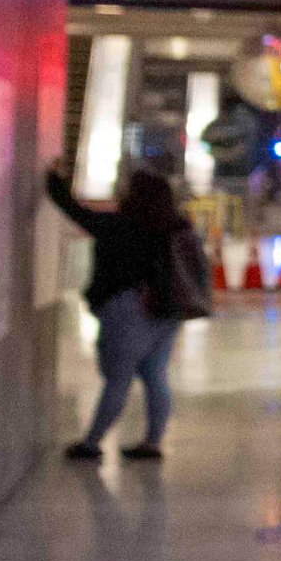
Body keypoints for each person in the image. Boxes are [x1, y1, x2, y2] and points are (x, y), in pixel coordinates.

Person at [44, 165, 195, 462]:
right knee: (155, 376)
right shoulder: (175, 226)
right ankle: (152, 443)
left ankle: (91, 442)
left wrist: (53, 181)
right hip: (167, 311)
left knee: (117, 377)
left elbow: (78, 213)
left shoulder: (121, 225)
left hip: (128, 309)